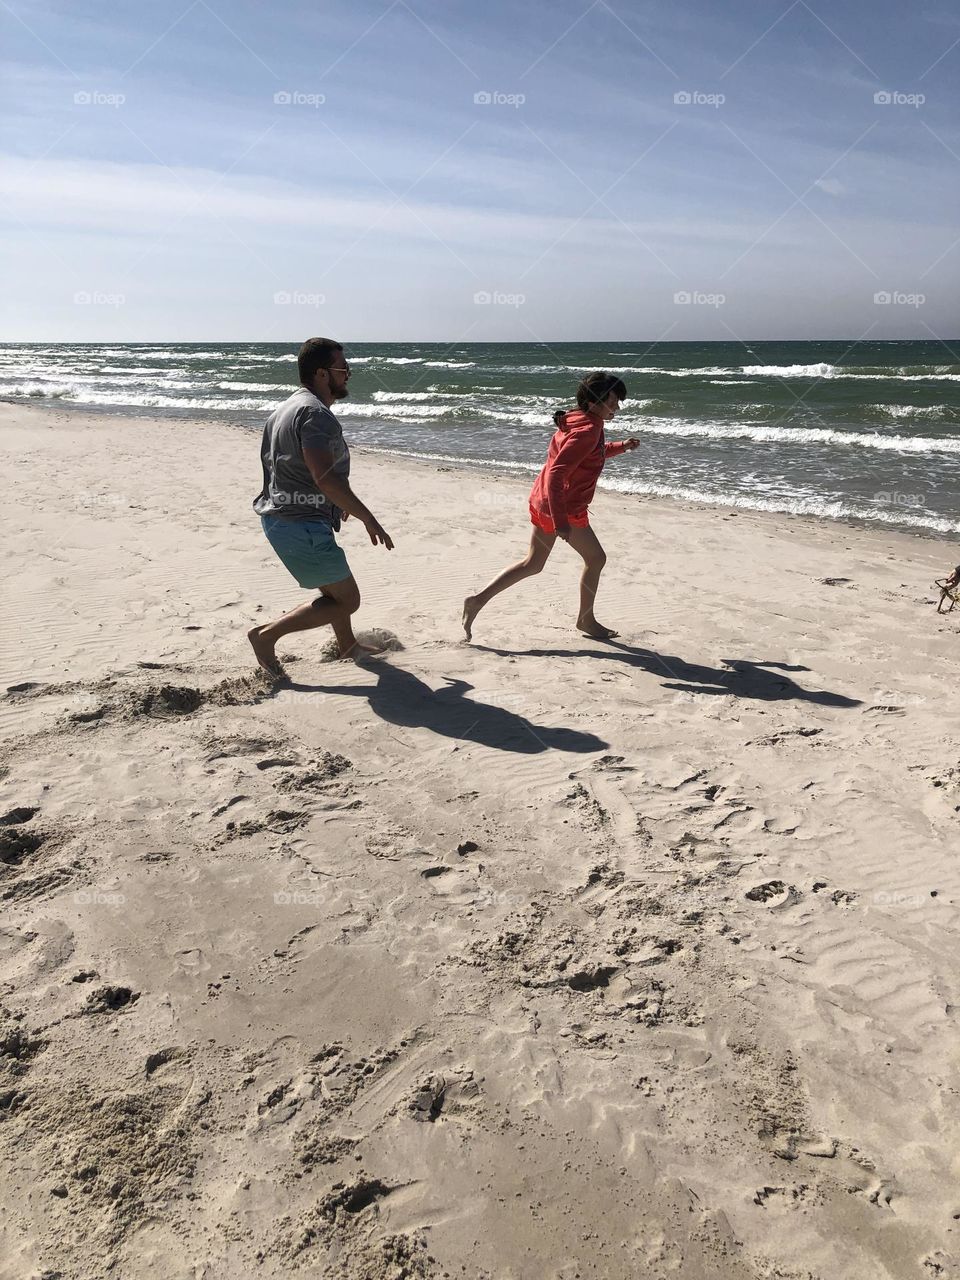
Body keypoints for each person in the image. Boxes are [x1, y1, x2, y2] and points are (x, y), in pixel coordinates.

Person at [248, 336, 393, 676]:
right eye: (343, 369)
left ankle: (347, 645)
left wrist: (329, 501)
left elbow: (286, 468)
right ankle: (267, 636)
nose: (348, 375)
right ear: (322, 374)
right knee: (347, 599)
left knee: (333, 586)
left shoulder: (285, 409)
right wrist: (368, 518)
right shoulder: (316, 415)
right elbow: (325, 476)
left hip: (286, 519)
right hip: (299, 526)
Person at [462, 372, 638, 641]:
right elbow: (558, 473)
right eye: (613, 401)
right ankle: (586, 620)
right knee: (596, 559)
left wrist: (620, 447)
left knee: (533, 564)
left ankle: (476, 601)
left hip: (544, 499)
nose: (617, 406)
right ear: (593, 402)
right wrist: (561, 522)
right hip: (562, 507)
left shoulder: (581, 419)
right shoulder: (589, 429)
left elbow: (589, 454)